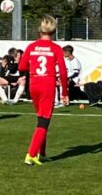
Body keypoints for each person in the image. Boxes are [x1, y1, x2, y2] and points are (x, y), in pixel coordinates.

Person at [19, 15, 70, 166]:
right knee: (44, 121)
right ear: (53, 31)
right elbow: (63, 72)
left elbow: (21, 67)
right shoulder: (55, 48)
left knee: (40, 119)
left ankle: (42, 153)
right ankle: (31, 154)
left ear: (39, 30)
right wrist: (65, 93)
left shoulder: (31, 46)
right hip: (47, 84)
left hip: (34, 83)